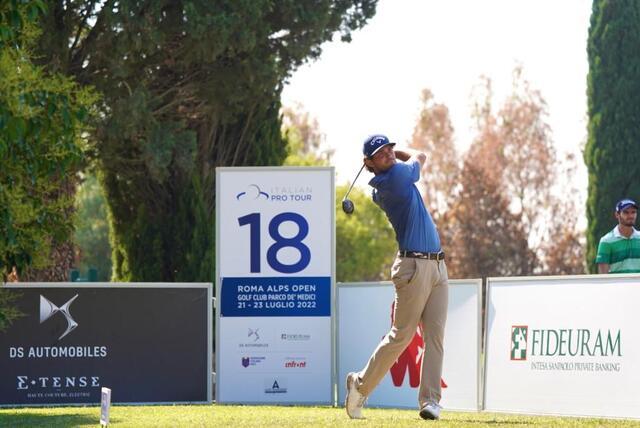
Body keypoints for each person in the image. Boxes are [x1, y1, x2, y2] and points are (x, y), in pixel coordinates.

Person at [345, 134, 448, 420]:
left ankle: (430, 401)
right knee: (401, 335)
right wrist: (401, 152)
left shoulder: (385, 182)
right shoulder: (397, 178)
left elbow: (411, 160)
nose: (389, 154)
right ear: (369, 163)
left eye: (389, 148)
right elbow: (421, 155)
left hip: (438, 265)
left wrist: (388, 153)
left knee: (435, 335)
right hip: (413, 267)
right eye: (381, 154)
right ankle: (360, 384)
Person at [596, 198, 640, 273]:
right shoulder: (606, 241)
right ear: (617, 215)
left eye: (633, 212)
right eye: (626, 212)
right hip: (616, 282)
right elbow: (603, 276)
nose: (630, 216)